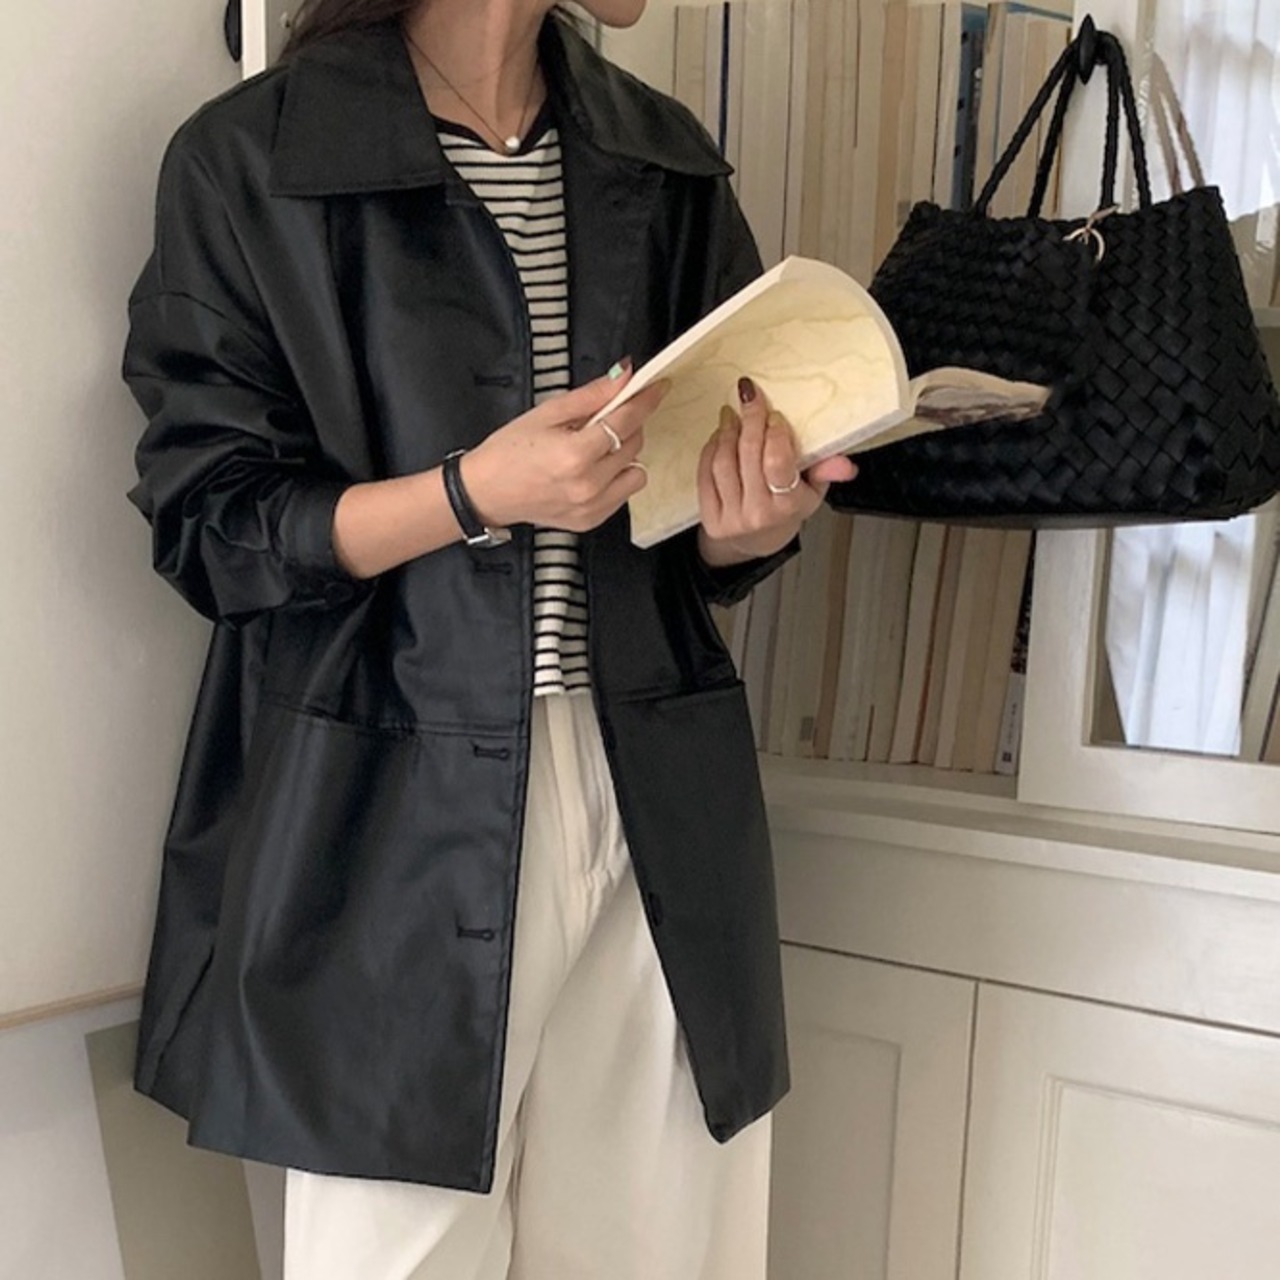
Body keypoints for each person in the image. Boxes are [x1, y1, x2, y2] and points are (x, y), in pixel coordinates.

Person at [122, 0, 856, 1275]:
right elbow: (214, 524)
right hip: (385, 810)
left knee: (653, 1252)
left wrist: (748, 520)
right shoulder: (253, 158)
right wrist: (470, 492)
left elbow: (685, 536)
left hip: (652, 793)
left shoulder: (660, 157)